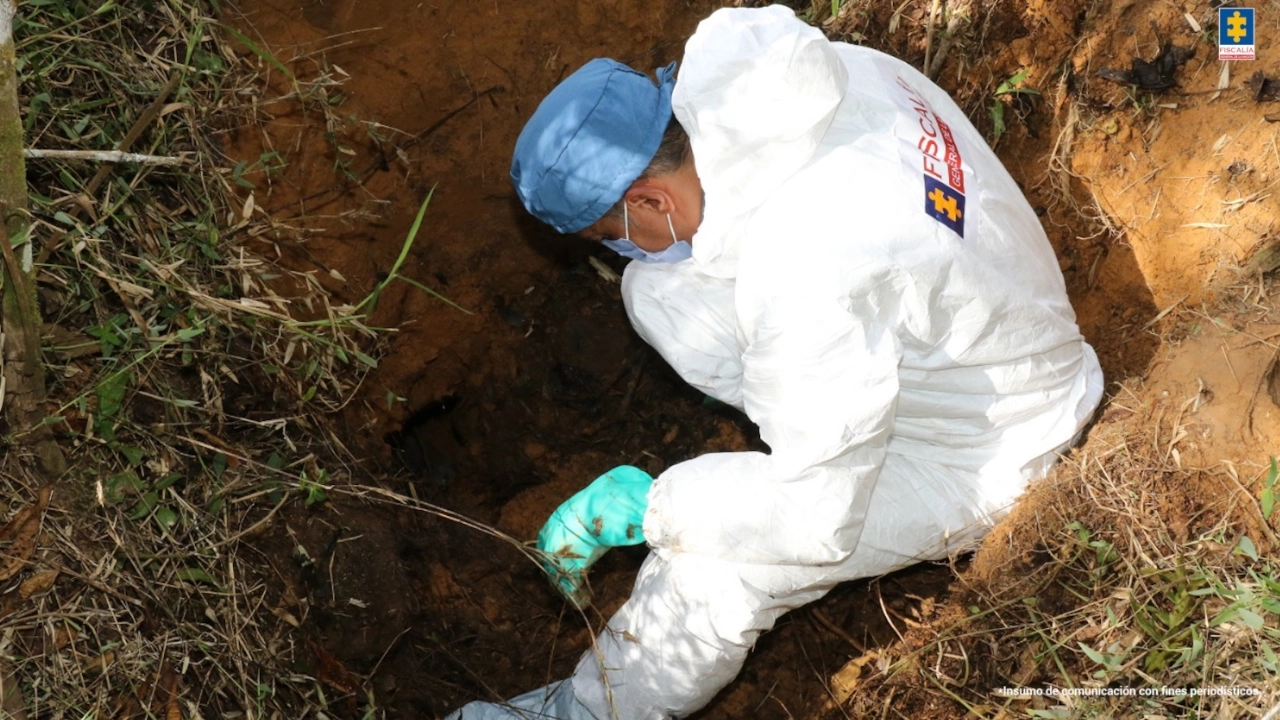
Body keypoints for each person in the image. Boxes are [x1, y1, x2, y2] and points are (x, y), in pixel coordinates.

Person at [448, 5, 1104, 719]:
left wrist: (658, 505)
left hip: (990, 448)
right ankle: (813, 414)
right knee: (662, 292)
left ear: (649, 197)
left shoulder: (802, 274)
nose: (618, 253)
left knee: (715, 565)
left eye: (611, 235)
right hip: (1000, 331)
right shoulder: (815, 74)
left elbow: (815, 517)